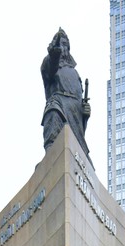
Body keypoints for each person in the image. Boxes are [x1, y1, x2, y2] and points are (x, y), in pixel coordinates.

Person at [41, 28, 91, 158]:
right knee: (53, 113)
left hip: (74, 113)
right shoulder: (51, 64)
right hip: (59, 104)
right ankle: (51, 157)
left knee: (78, 153)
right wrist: (54, 54)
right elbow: (50, 67)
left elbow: (80, 100)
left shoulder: (75, 73)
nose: (63, 48)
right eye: (61, 44)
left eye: (66, 45)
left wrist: (85, 113)